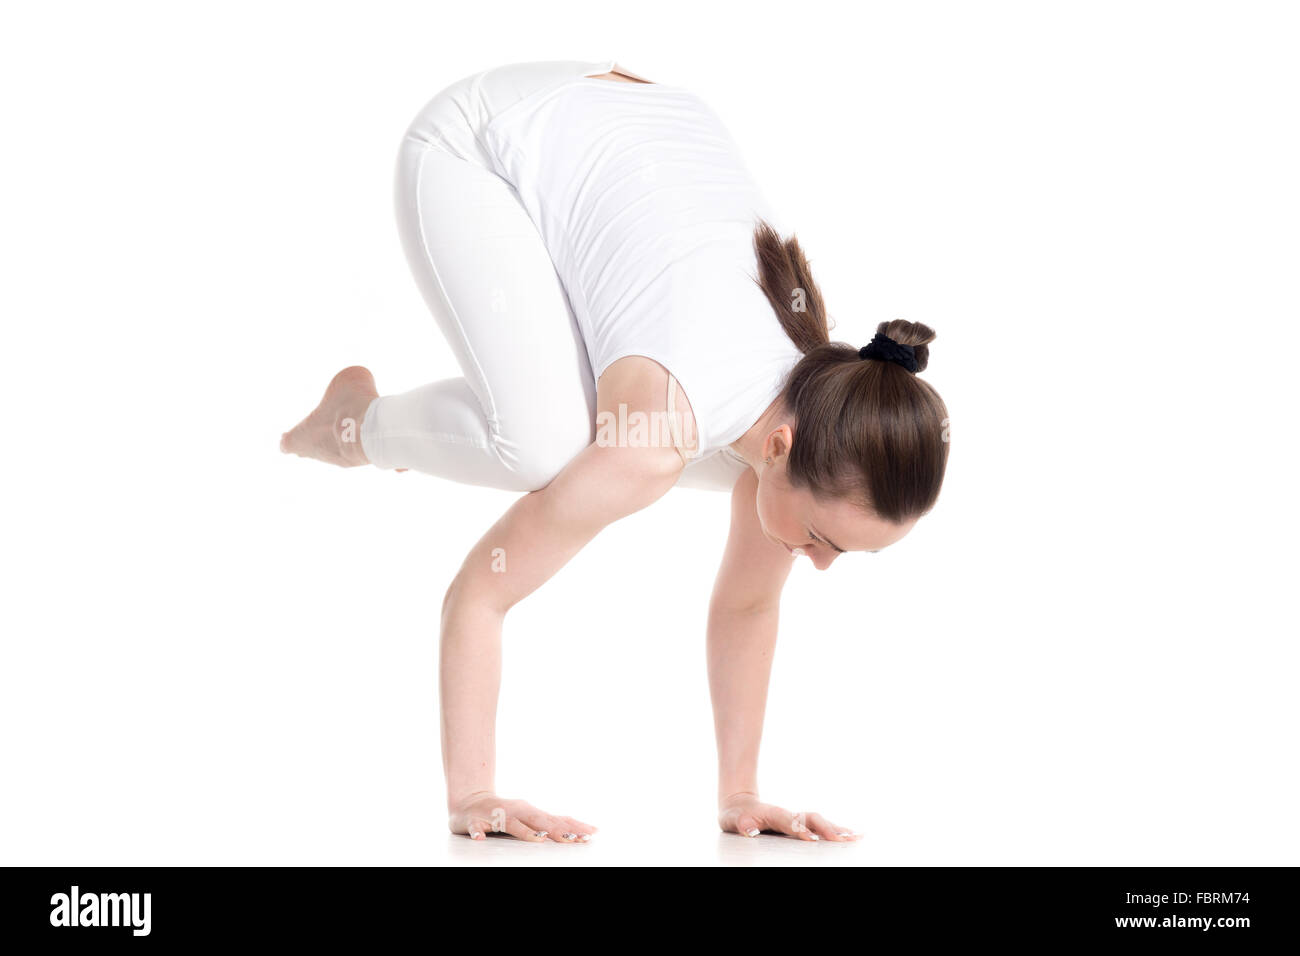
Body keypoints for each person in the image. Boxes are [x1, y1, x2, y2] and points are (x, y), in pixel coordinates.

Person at [281, 59, 950, 843]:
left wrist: (740, 794)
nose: (823, 564)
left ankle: (377, 418)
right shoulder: (658, 438)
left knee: (619, 441)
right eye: (828, 542)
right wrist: (473, 794)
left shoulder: (811, 396)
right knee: (542, 447)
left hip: (633, 117)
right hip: (480, 143)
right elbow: (481, 592)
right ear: (780, 444)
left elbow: (748, 602)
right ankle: (355, 422)